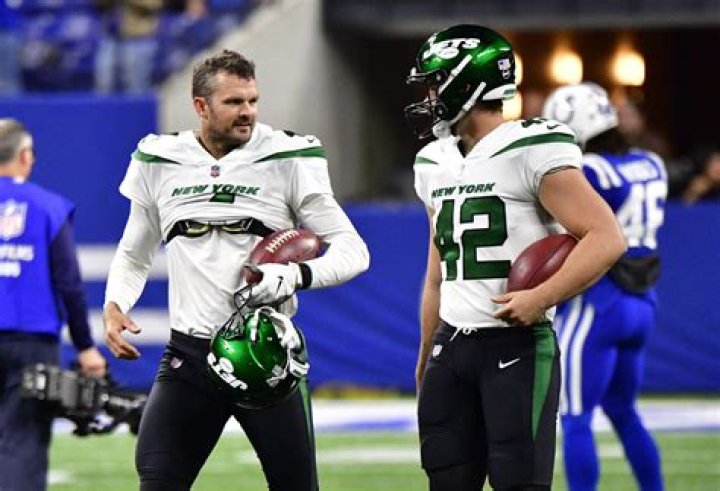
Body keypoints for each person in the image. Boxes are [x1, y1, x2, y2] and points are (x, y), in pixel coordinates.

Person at [103, 49, 369, 490]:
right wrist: (116, 304)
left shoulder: (286, 155)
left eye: (252, 100)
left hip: (265, 353)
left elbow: (354, 250)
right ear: (200, 106)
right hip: (190, 355)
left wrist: (296, 275)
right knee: (157, 479)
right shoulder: (160, 159)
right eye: (233, 102)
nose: (247, 112)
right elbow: (134, 253)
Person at [405, 25, 626, 491]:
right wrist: (426, 352)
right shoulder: (433, 161)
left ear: (467, 84)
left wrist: (541, 297)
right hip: (452, 346)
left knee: (519, 482)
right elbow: (436, 275)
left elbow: (606, 238)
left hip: (516, 344)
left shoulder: (532, 147)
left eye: (435, 83)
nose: (429, 96)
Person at [542, 82, 666, 491]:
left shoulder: (591, 171)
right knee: (624, 412)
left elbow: (566, 225)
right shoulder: (651, 163)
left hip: (599, 304)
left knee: (575, 416)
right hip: (642, 303)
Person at [0, 119, 107, 491]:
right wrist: (85, 346)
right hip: (32, 343)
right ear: (24, 156)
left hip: (29, 339)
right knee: (23, 444)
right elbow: (69, 284)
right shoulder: (49, 207)